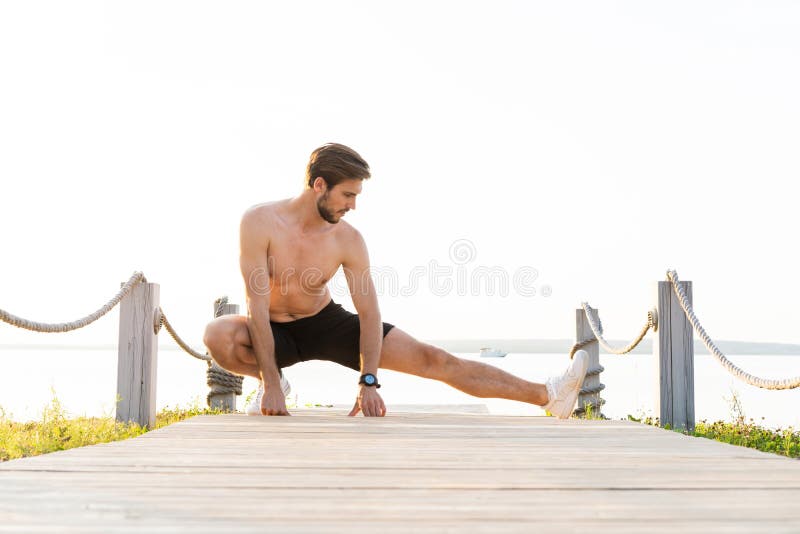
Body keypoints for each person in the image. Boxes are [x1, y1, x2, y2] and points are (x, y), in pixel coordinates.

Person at [203, 143, 589, 418]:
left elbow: (368, 313)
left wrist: (368, 380)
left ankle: (548, 395)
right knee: (218, 334)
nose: (353, 205)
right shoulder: (259, 222)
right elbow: (255, 303)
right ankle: (276, 382)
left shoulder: (347, 240)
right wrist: (269, 381)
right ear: (319, 185)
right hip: (269, 327)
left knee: (433, 359)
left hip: (324, 324)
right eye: (348, 194)